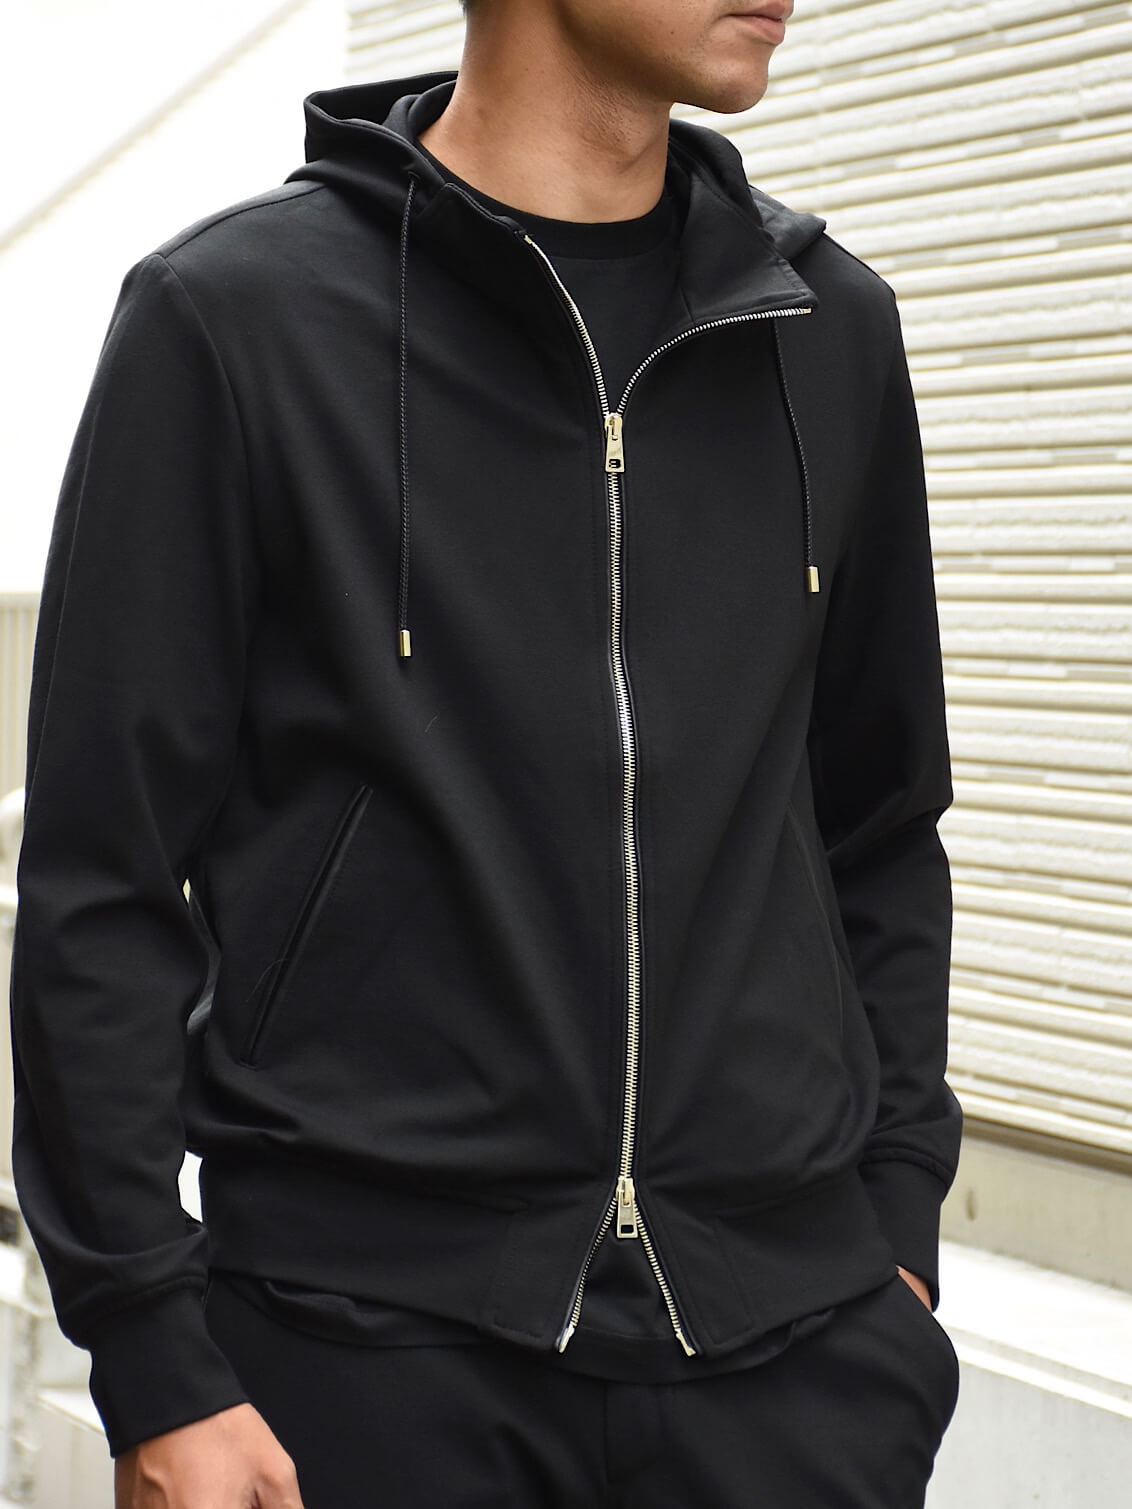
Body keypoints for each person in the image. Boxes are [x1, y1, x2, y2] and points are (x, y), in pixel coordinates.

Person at [10, 0, 963, 1505]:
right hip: (364, 1360)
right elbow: (101, 880)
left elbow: (883, 822)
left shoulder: (825, 328)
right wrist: (152, 1353)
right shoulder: (238, 321)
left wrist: (897, 1230)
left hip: (792, 1365)